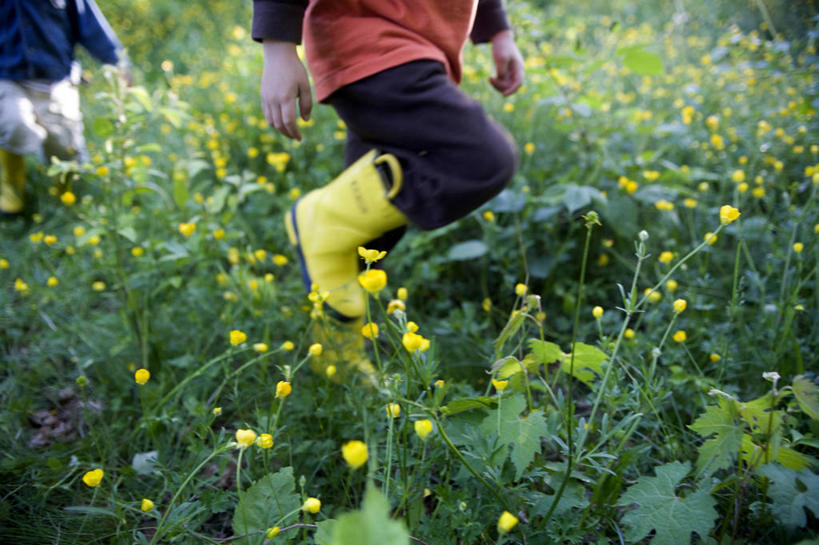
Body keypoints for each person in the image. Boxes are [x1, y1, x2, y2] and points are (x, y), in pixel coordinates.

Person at [252, 1, 524, 374]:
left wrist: (498, 30)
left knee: (369, 239)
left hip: (416, 47)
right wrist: (279, 47)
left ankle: (339, 363)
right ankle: (320, 218)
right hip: (367, 38)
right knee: (484, 159)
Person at [0, 0, 127, 216]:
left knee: (65, 146)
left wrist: (117, 62)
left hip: (57, 80)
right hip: (8, 78)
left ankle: (63, 193)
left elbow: (91, 25)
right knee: (13, 123)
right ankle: (11, 188)